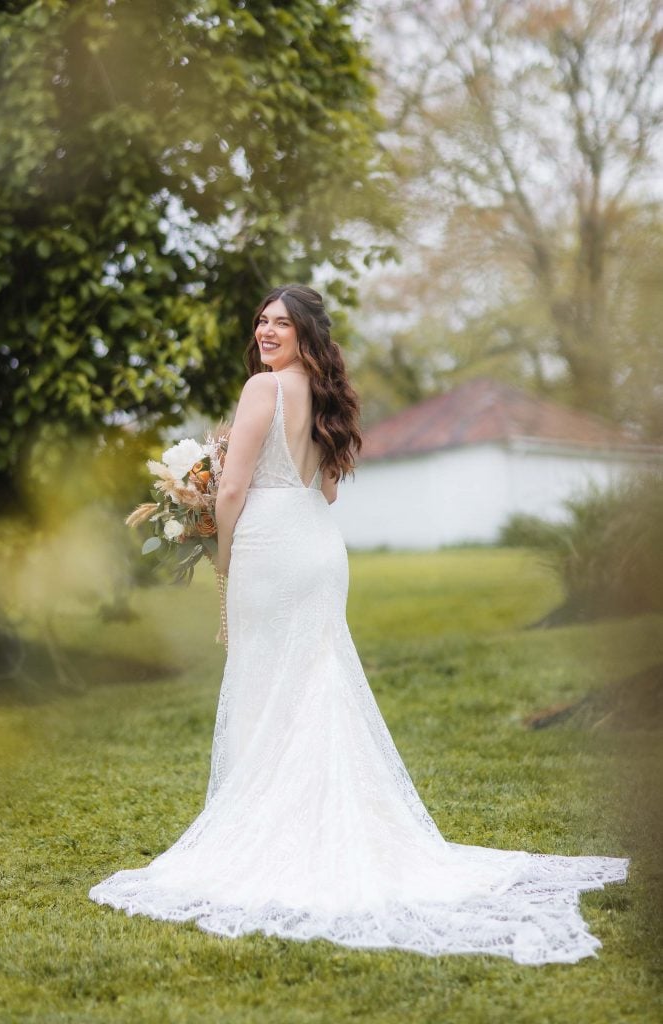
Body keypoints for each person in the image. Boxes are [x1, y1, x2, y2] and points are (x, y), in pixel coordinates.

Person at [89, 284, 628, 965]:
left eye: (280, 324)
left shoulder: (264, 390)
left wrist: (223, 565)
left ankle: (275, 831)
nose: (265, 331)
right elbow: (329, 488)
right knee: (315, 679)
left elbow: (232, 490)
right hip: (318, 544)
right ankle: (314, 819)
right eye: (261, 321)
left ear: (305, 332)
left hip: (270, 549)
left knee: (266, 685)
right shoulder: (324, 392)